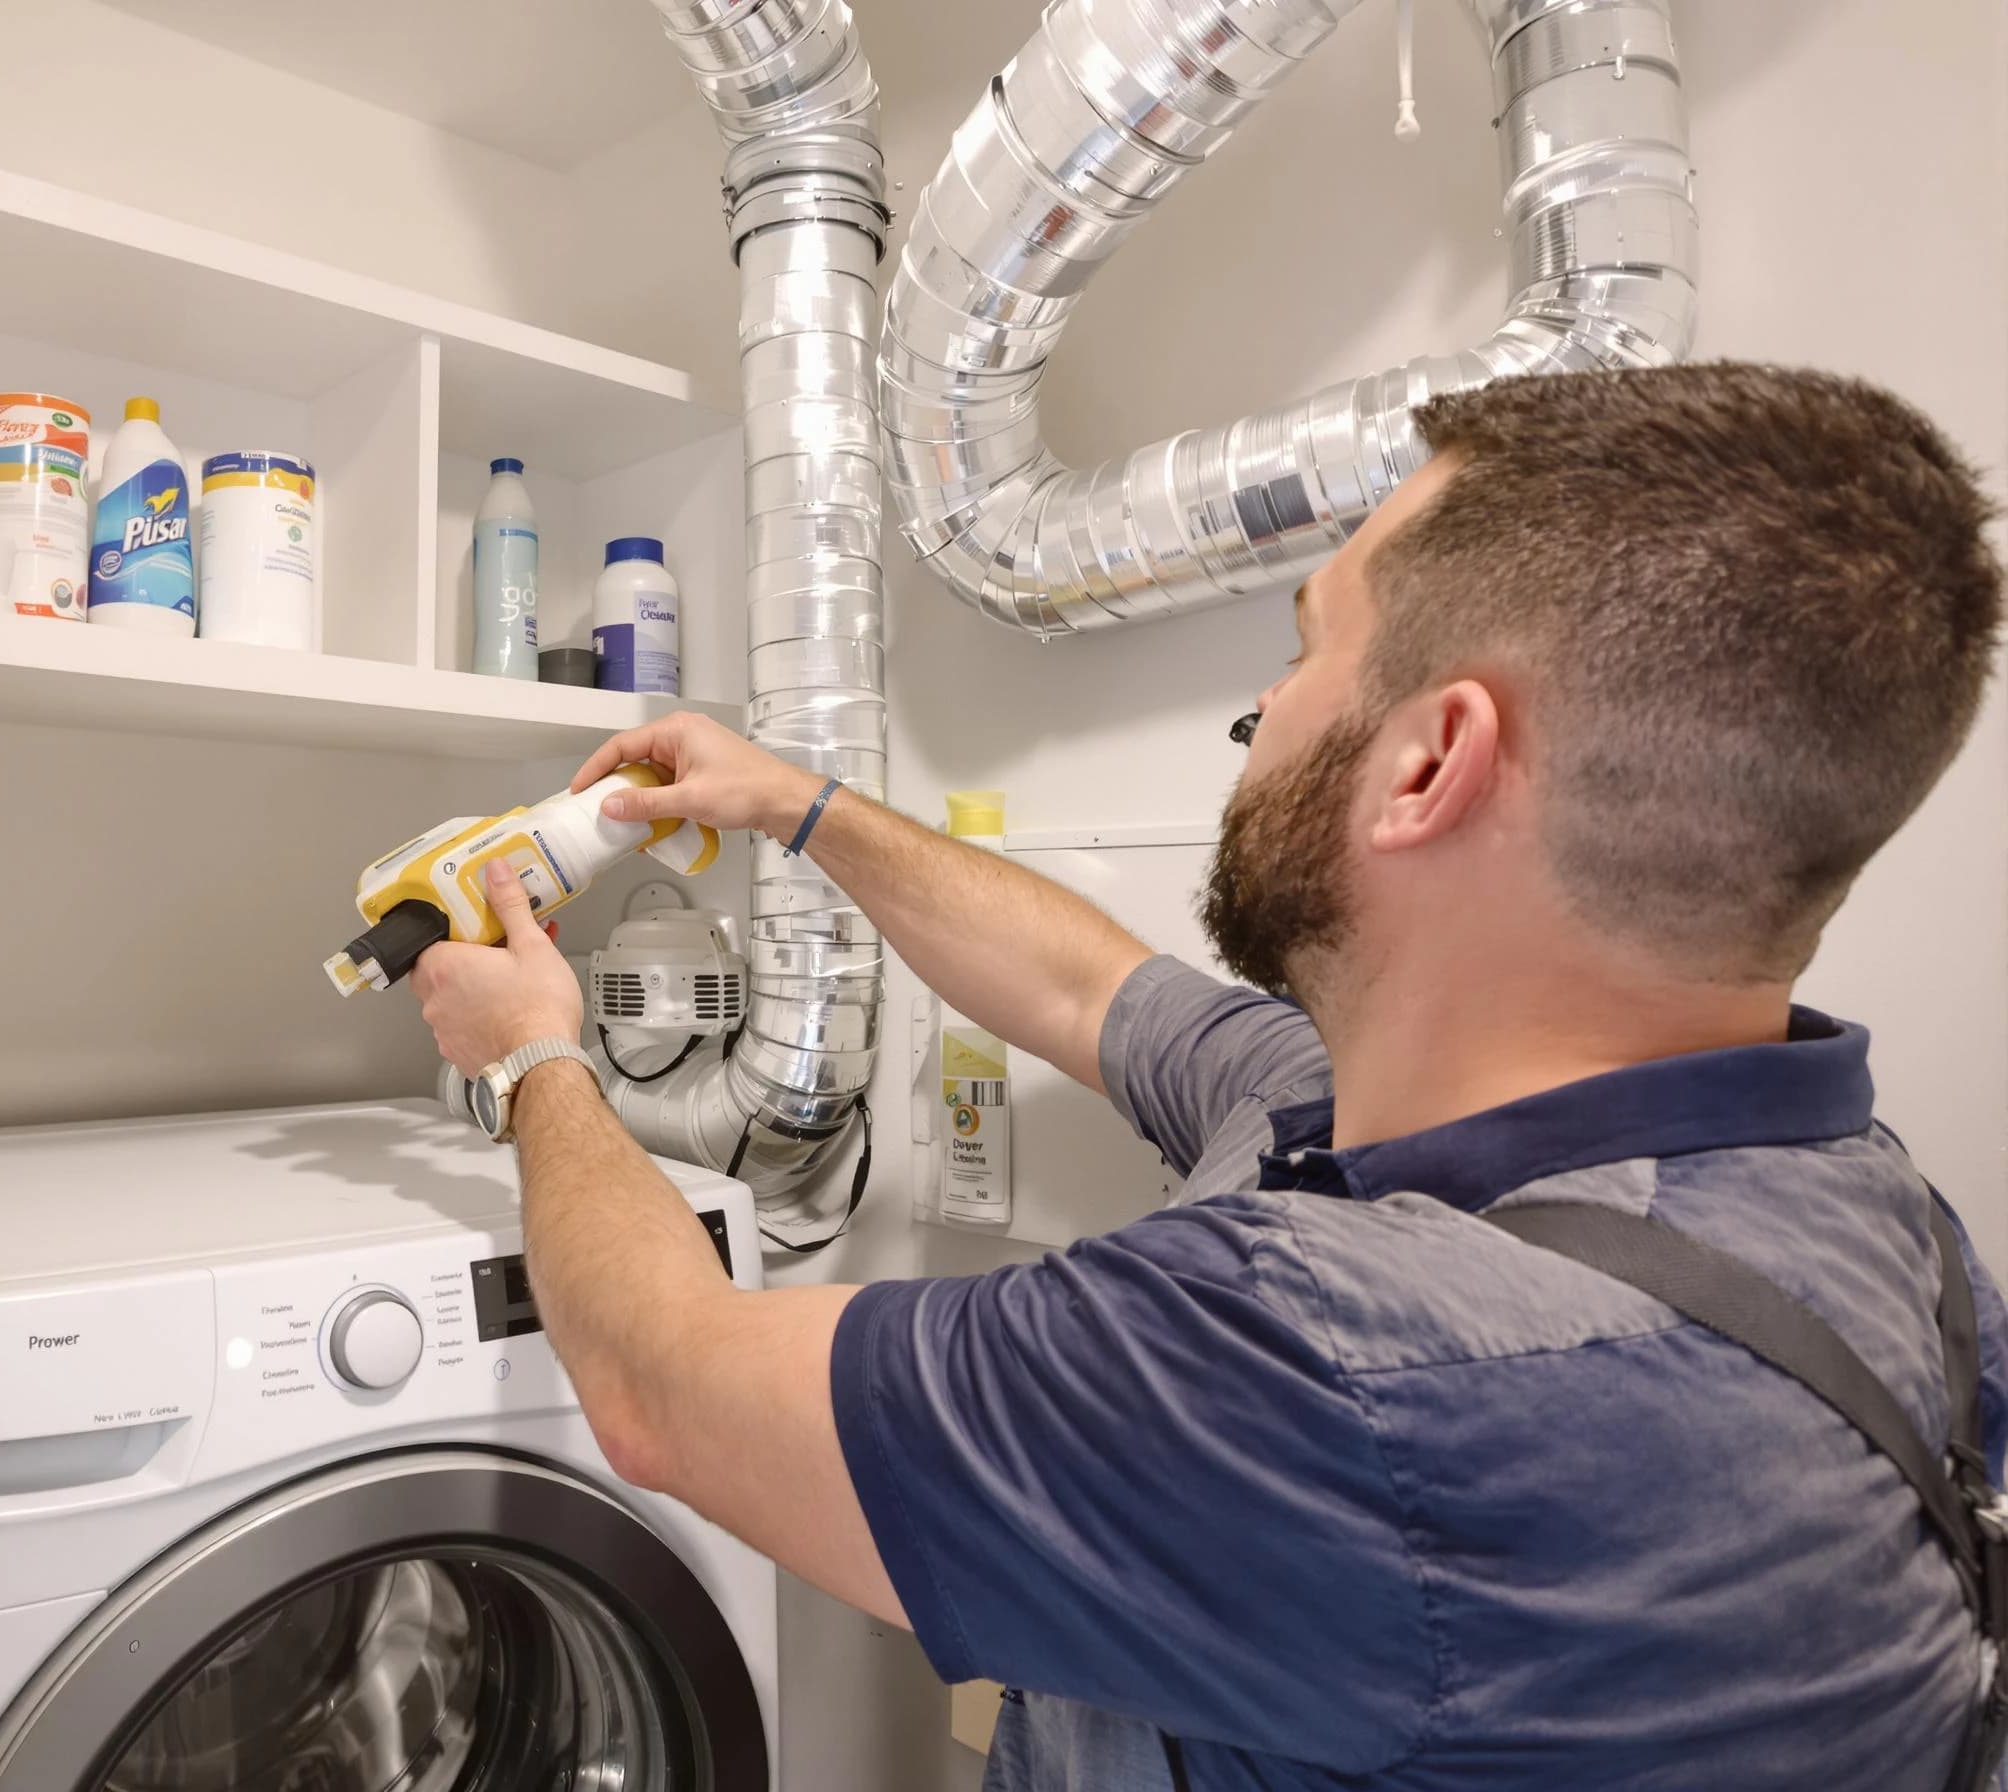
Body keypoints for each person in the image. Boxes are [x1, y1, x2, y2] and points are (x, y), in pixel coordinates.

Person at [410, 361, 2008, 1791]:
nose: (1259, 722)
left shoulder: (1340, 1367)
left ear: (1432, 761)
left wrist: (534, 1054)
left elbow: (663, 1392)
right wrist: (797, 805)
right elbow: (1087, 987)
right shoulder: (1872, 1221)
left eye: (1303, 654)